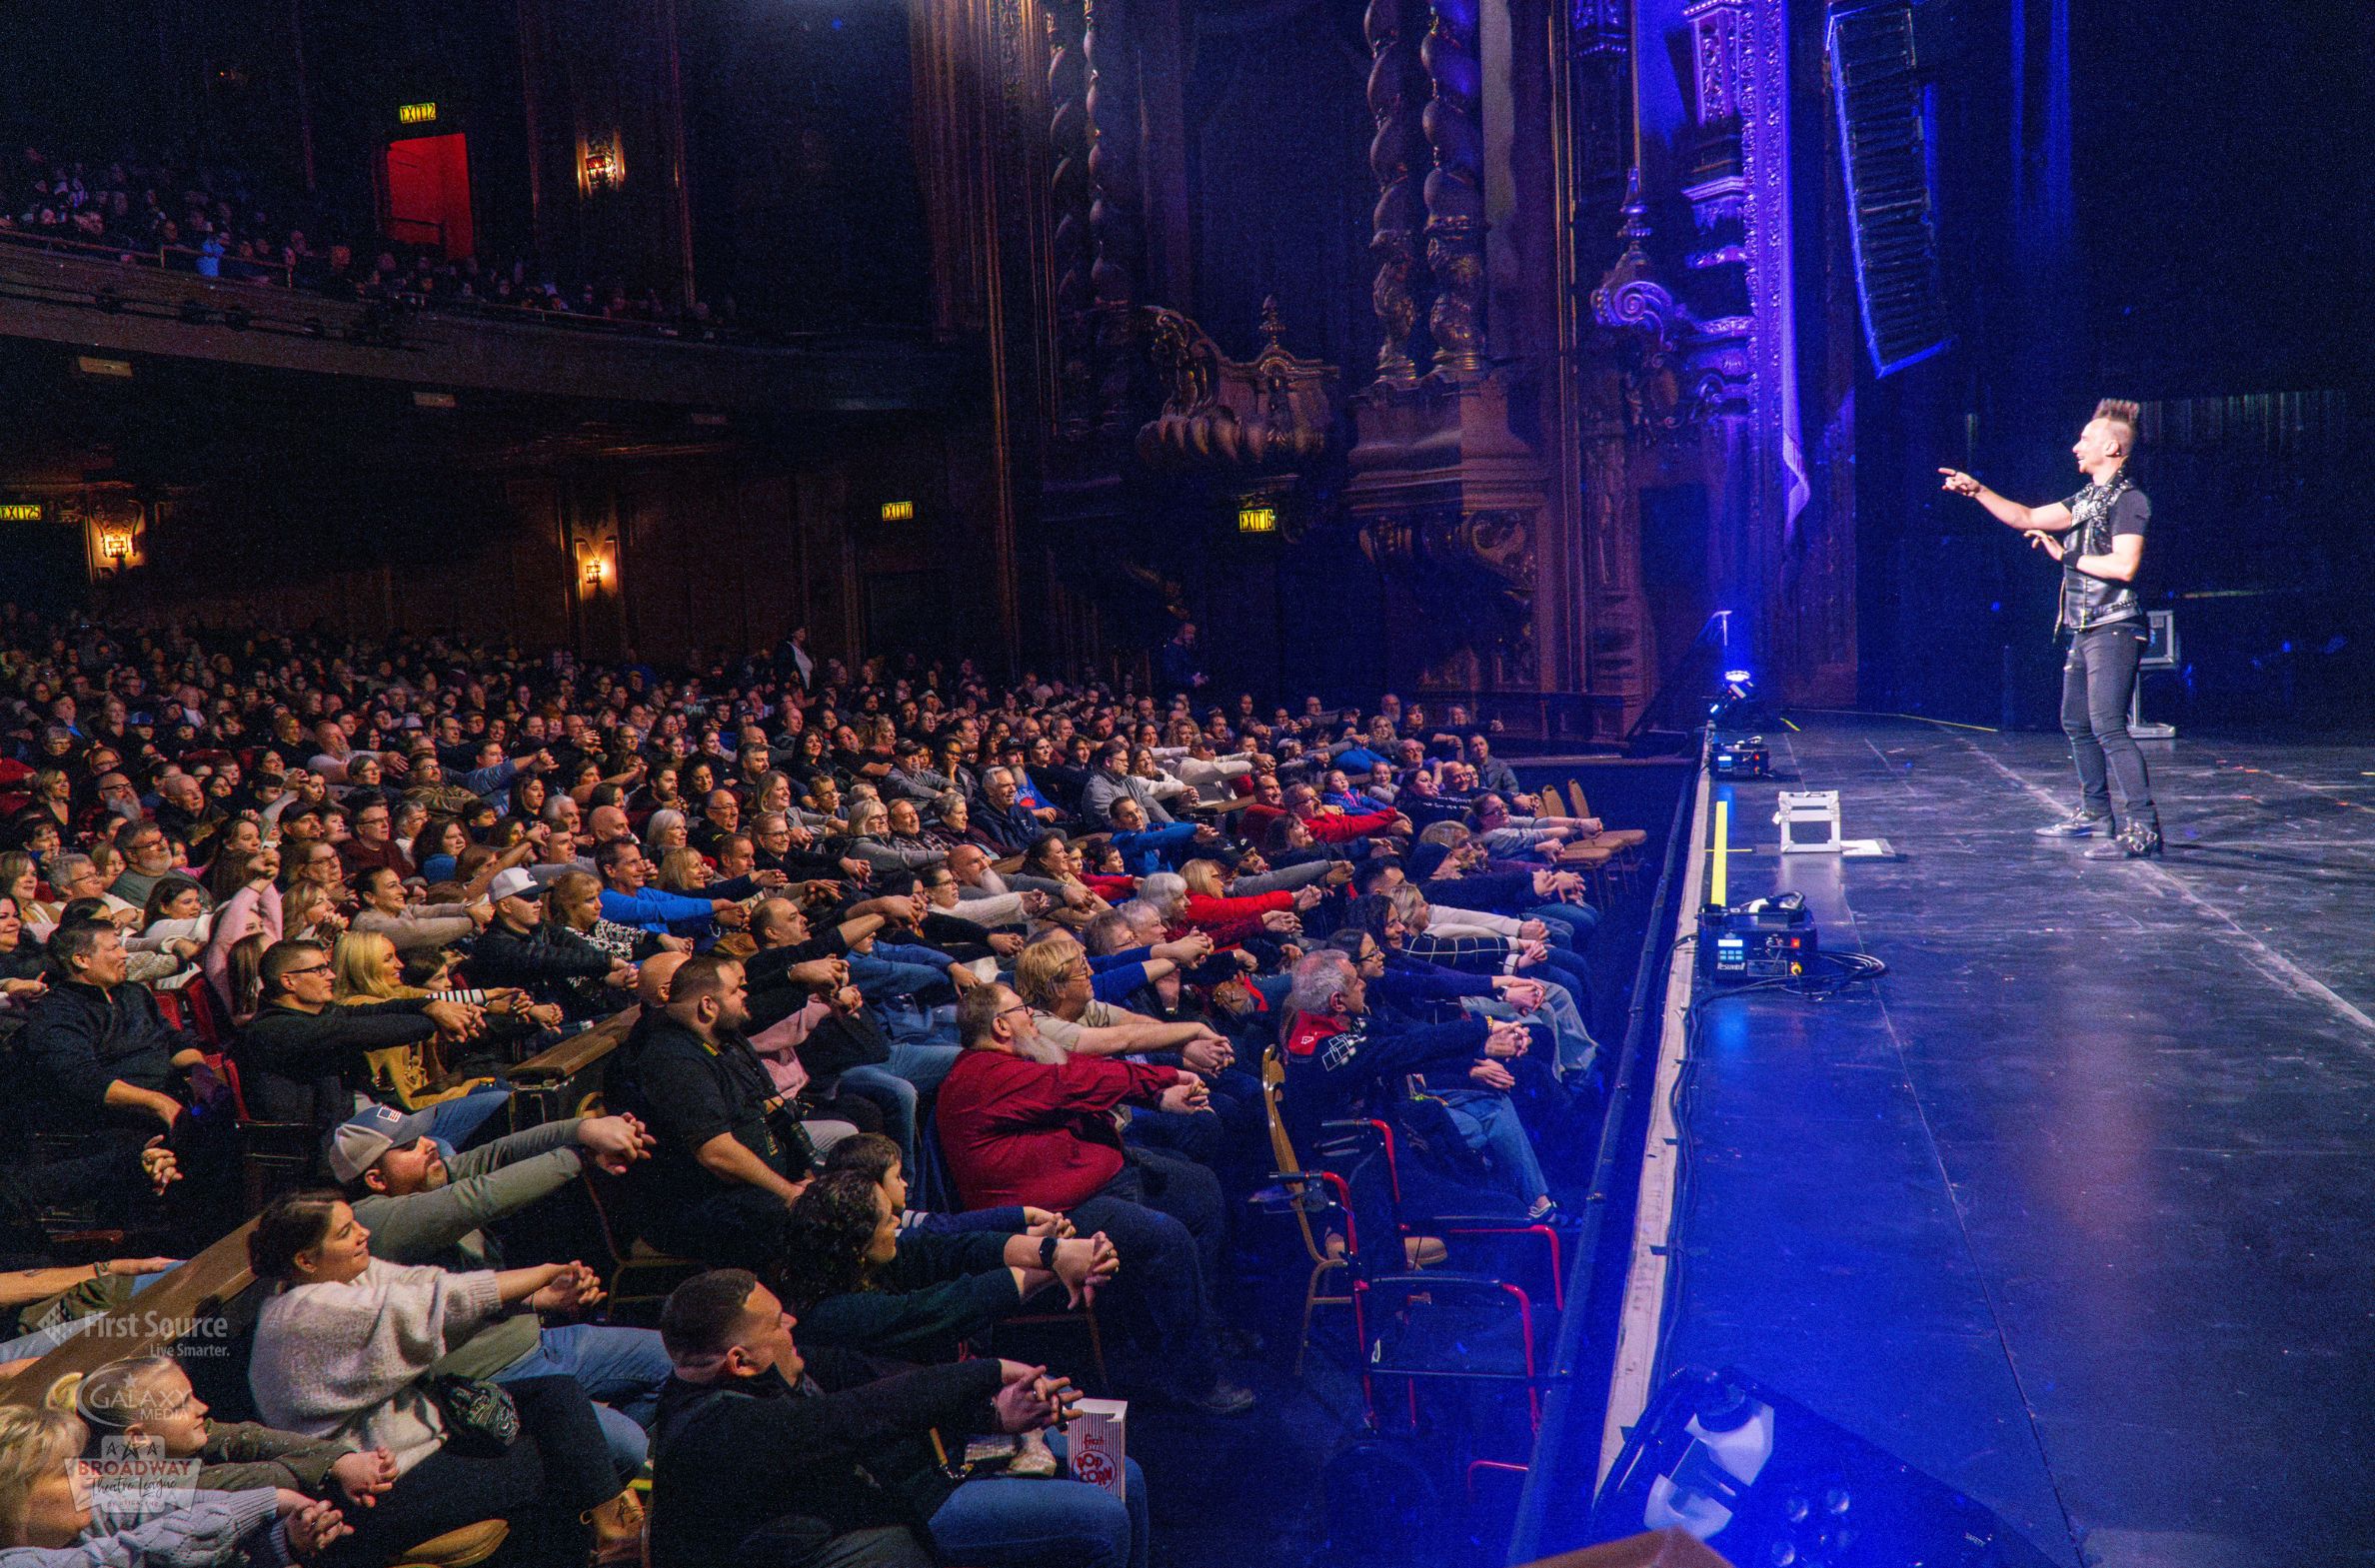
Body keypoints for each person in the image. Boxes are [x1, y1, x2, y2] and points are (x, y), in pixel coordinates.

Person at [243, 1191, 646, 1568]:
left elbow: (427, 1285)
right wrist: (543, 1273)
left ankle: (614, 1535)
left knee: (557, 1395)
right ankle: (612, 1549)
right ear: (306, 1261)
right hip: (377, 1490)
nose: (363, 1233)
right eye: (346, 1232)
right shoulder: (307, 1312)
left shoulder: (342, 1277)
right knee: (565, 1458)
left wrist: (540, 1299)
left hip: (420, 1440)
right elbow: (437, 1304)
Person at [650, 1268, 1136, 1568]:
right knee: (1102, 1518)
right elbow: (860, 1416)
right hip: (890, 1513)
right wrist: (989, 1371)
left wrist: (991, 1413)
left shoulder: (777, 1367)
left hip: (915, 1475)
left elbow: (879, 1381)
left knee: (1125, 1476)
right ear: (740, 1360)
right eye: (777, 1323)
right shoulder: (718, 1431)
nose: (792, 1324)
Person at [936, 983, 1252, 1415]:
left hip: (1094, 1179)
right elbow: (1075, 1080)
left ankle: (1196, 1328)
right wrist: (1166, 1078)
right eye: (1024, 1009)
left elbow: (1080, 1067)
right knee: (1167, 1237)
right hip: (1052, 1215)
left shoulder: (1013, 1063)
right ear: (1000, 1025)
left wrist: (1155, 1095)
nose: (1032, 1016)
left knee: (1199, 1189)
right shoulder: (983, 1075)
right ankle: (1193, 1377)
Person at [331, 1101, 673, 1477]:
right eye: (410, 1146)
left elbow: (497, 1155)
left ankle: (591, 1471)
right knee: (627, 1444)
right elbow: (478, 1198)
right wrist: (582, 1156)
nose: (430, 1144)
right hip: (489, 1382)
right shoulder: (374, 1220)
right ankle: (580, 1486)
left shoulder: (427, 1179)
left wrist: (584, 1129)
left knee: (671, 1361)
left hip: (539, 1343)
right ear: (376, 1179)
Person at [1939, 398, 2161, 857]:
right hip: (2084, 627)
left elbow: (2125, 566)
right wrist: (1978, 490)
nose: (2076, 447)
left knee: (2107, 726)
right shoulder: (2088, 500)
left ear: (2114, 447)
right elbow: (2027, 517)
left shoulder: (2129, 500)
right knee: (2076, 721)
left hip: (2114, 624)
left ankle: (2144, 829)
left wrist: (2066, 556)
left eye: (2086, 439)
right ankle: (2097, 813)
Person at [604, 953, 821, 1269]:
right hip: (695, 1207)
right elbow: (716, 1153)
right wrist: (788, 1192)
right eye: (735, 991)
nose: (744, 995)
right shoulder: (673, 1060)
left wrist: (809, 1172)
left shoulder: (722, 1039)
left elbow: (771, 1108)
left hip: (747, 1188)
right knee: (812, 1222)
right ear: (707, 1006)